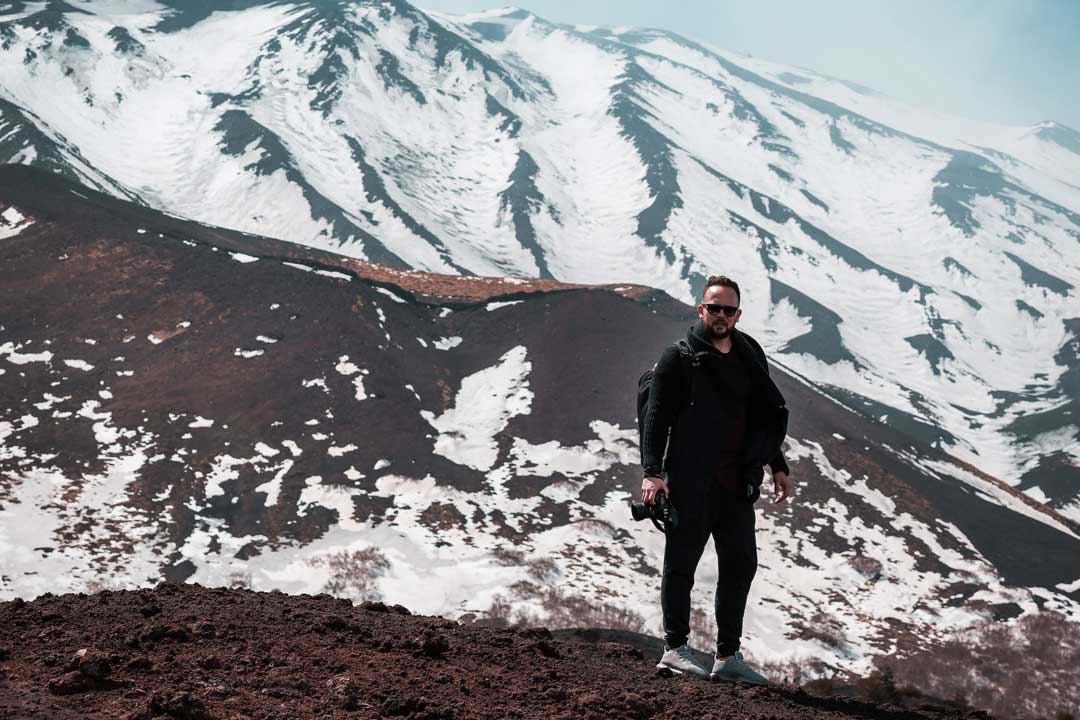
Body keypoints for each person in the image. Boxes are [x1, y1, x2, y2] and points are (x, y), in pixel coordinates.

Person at [640, 274, 791, 684]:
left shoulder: (749, 354)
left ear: (738, 314)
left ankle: (728, 657)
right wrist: (652, 473)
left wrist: (776, 463)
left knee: (741, 565)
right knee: (681, 567)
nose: (721, 315)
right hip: (690, 481)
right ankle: (675, 649)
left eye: (729, 309)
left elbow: (761, 414)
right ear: (700, 309)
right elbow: (656, 417)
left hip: (736, 482)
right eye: (714, 307)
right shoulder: (679, 357)